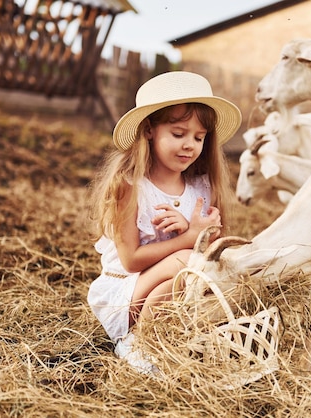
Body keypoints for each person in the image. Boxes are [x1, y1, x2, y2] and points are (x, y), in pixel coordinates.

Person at [87, 71, 242, 374]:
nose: (189, 145)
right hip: (125, 293)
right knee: (186, 258)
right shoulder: (130, 185)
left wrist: (196, 231)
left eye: (199, 138)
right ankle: (136, 342)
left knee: (195, 269)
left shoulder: (201, 188)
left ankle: (164, 341)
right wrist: (186, 241)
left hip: (169, 295)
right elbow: (131, 260)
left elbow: (208, 256)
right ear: (148, 130)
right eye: (178, 133)